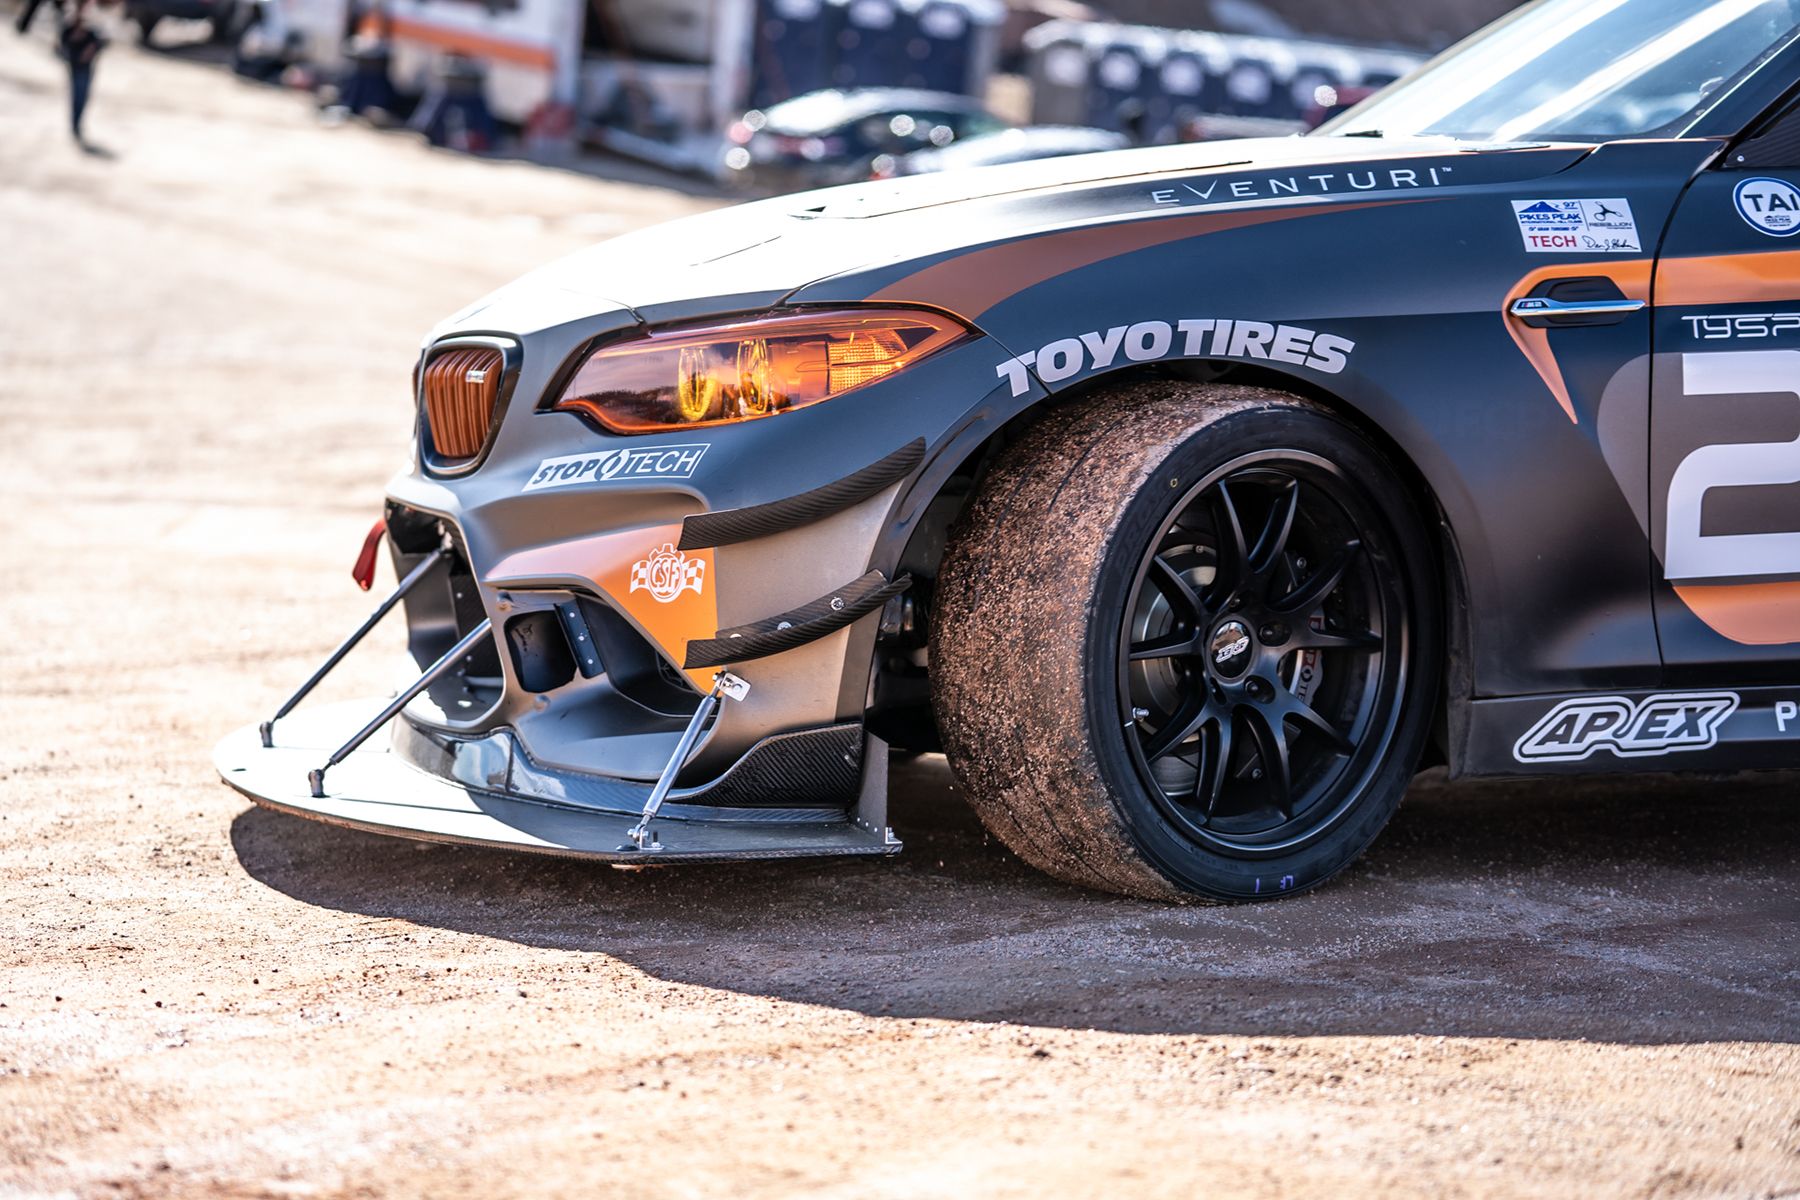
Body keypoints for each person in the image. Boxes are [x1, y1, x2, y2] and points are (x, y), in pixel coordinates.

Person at [58, 0, 105, 145]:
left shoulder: (92, 21)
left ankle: (77, 124)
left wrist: (91, 49)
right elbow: (62, 43)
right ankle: (75, 125)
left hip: (86, 67)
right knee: (76, 95)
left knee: (82, 96)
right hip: (75, 65)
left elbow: (102, 40)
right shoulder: (69, 22)